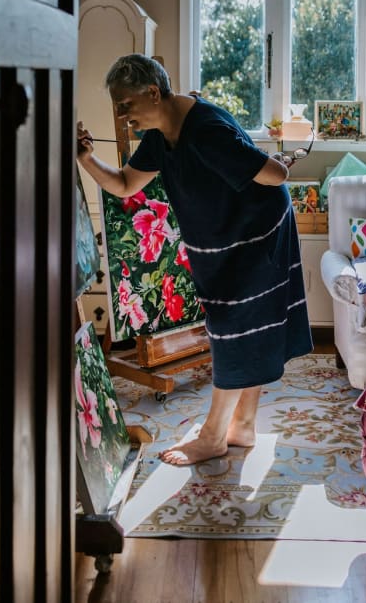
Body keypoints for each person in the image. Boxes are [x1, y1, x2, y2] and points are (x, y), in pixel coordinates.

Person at [76, 54, 313, 466]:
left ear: (153, 92)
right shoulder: (159, 131)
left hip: (259, 230)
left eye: (125, 104)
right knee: (242, 325)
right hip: (226, 235)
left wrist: (271, 160)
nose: (120, 113)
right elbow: (125, 184)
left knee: (232, 327)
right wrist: (85, 158)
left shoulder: (206, 130)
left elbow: (276, 176)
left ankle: (213, 435)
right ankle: (243, 426)